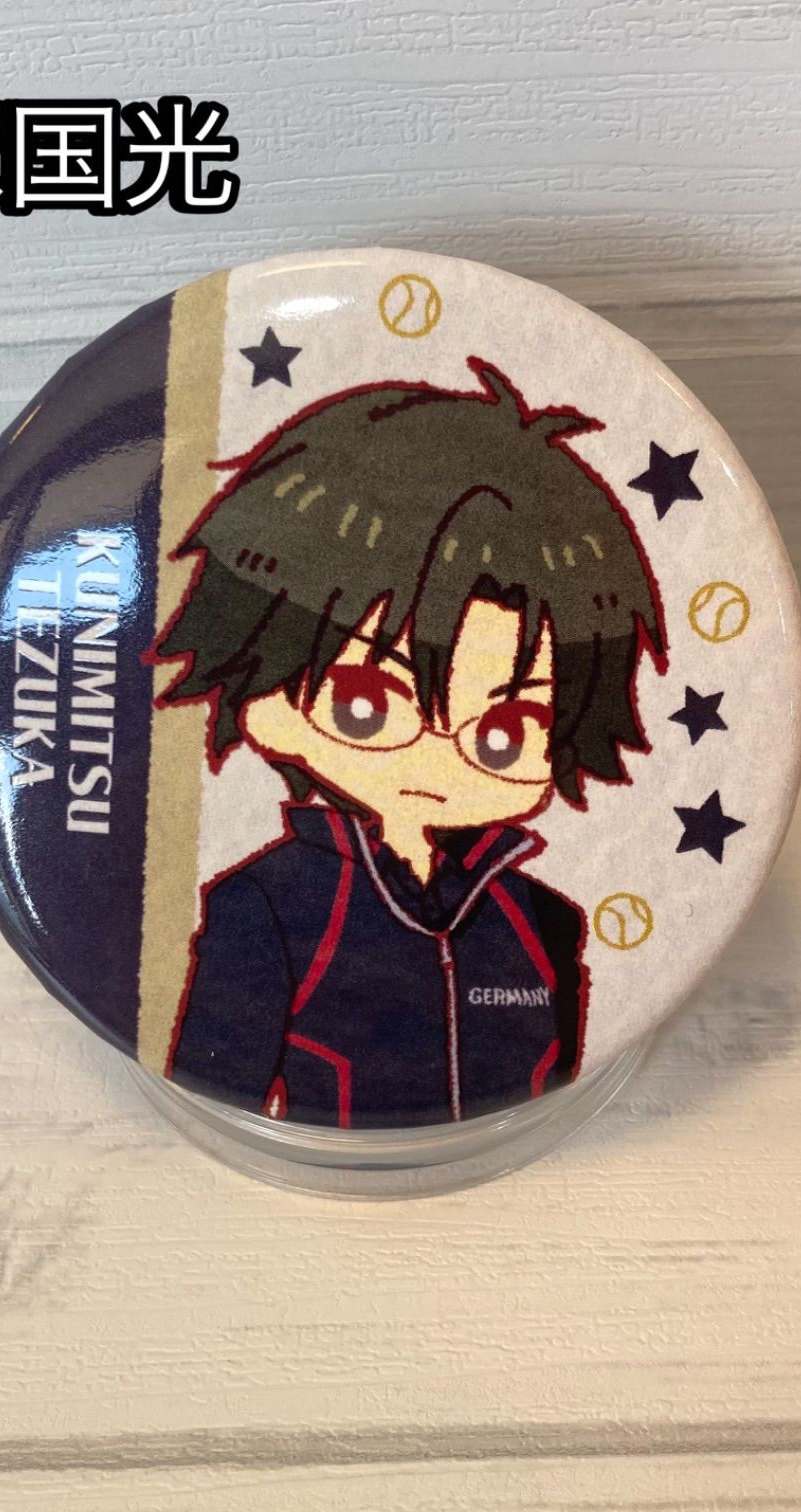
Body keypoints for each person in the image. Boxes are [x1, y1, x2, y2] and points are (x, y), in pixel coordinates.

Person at [146, 356, 665, 1127]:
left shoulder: (543, 922)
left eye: (504, 732)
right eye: (367, 703)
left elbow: (554, 1089)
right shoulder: (267, 908)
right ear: (268, 701)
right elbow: (218, 1090)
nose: (436, 757)